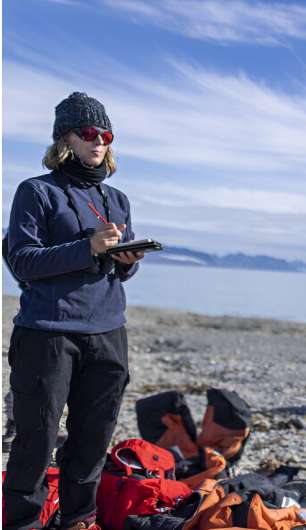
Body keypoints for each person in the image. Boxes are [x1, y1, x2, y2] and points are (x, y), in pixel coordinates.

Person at [3, 92, 144, 530]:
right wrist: (88, 247)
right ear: (66, 138)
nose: (99, 141)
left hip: (108, 331)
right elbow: (21, 260)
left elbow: (118, 271)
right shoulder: (36, 191)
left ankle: (79, 519)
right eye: (89, 132)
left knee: (93, 438)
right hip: (48, 332)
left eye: (106, 135)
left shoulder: (117, 198)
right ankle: (23, 523)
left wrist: (126, 261)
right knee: (36, 439)